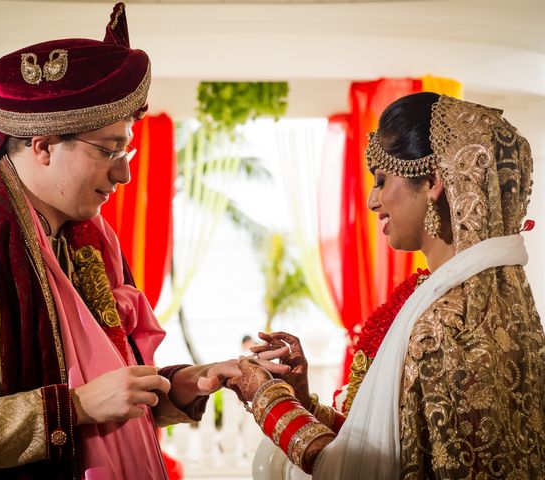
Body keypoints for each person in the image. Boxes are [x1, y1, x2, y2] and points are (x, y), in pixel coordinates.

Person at [0, 4, 288, 479]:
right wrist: (75, 407)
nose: (124, 173)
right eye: (108, 150)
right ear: (42, 145)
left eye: (125, 150)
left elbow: (106, 393)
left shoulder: (85, 244)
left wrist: (179, 386)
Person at [227, 92, 545, 479]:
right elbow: (401, 447)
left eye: (381, 180)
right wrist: (302, 399)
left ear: (432, 181)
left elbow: (359, 472)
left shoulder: (445, 324)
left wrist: (267, 398)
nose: (372, 200)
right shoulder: (493, 303)